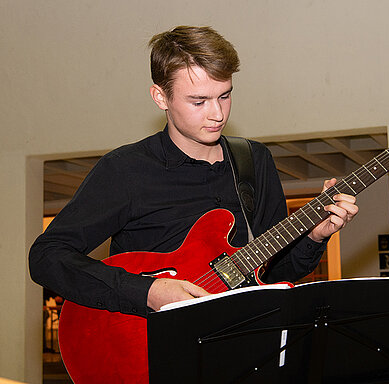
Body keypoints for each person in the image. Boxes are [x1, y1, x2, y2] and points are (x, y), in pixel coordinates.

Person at [29, 26, 358, 318]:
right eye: (199, 101)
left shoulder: (255, 160)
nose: (217, 113)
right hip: (151, 346)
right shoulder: (126, 170)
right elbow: (46, 256)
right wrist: (147, 292)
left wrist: (316, 235)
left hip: (239, 343)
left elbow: (272, 275)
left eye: (225, 96)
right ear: (161, 97)